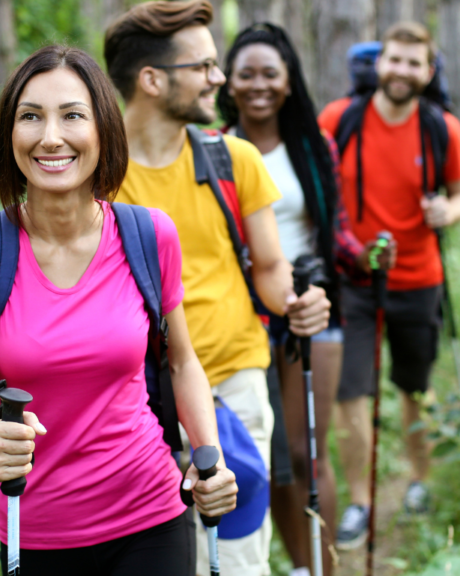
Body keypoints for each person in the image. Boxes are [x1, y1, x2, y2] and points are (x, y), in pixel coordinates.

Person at [0, 45, 237, 576]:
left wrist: (209, 459)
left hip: (152, 514)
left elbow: (182, 362)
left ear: (103, 132)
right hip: (38, 530)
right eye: (31, 116)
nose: (51, 136)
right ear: (10, 134)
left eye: (72, 115)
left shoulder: (149, 235)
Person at [104, 4, 332, 575]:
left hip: (234, 382)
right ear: (152, 80)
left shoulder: (235, 160)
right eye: (203, 65)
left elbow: (271, 270)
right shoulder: (97, 173)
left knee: (234, 562)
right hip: (133, 404)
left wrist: (297, 303)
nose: (219, 77)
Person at [217, 23, 394, 576]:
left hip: (314, 308)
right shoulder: (213, 149)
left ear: (289, 81)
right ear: (230, 82)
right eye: (247, 74)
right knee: (268, 458)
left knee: (303, 452)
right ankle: (296, 564)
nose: (258, 85)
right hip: (244, 313)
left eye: (270, 73)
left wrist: (363, 258)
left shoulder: (315, 147)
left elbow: (333, 230)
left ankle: (324, 568)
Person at [318, 21, 460, 548]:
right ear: (377, 63)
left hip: (419, 278)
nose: (402, 71)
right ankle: (361, 502)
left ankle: (420, 481)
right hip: (353, 279)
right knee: (349, 394)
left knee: (414, 389)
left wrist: (446, 211)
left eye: (414, 63)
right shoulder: (340, 119)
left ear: (429, 72)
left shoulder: (441, 128)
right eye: (395, 60)